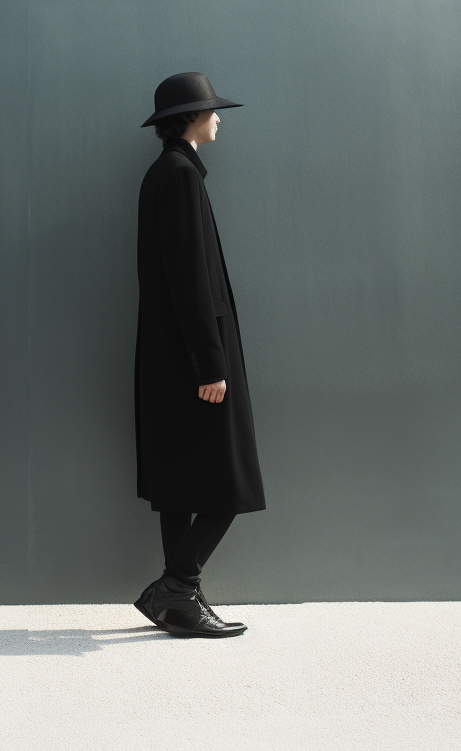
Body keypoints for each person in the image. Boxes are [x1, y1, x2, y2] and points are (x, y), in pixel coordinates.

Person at [132, 72, 265, 637]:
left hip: (168, 355)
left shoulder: (164, 173)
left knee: (179, 482)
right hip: (193, 360)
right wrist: (210, 364)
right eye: (211, 110)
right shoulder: (181, 176)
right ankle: (177, 586)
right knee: (228, 480)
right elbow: (191, 281)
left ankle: (180, 599)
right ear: (189, 118)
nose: (218, 118)